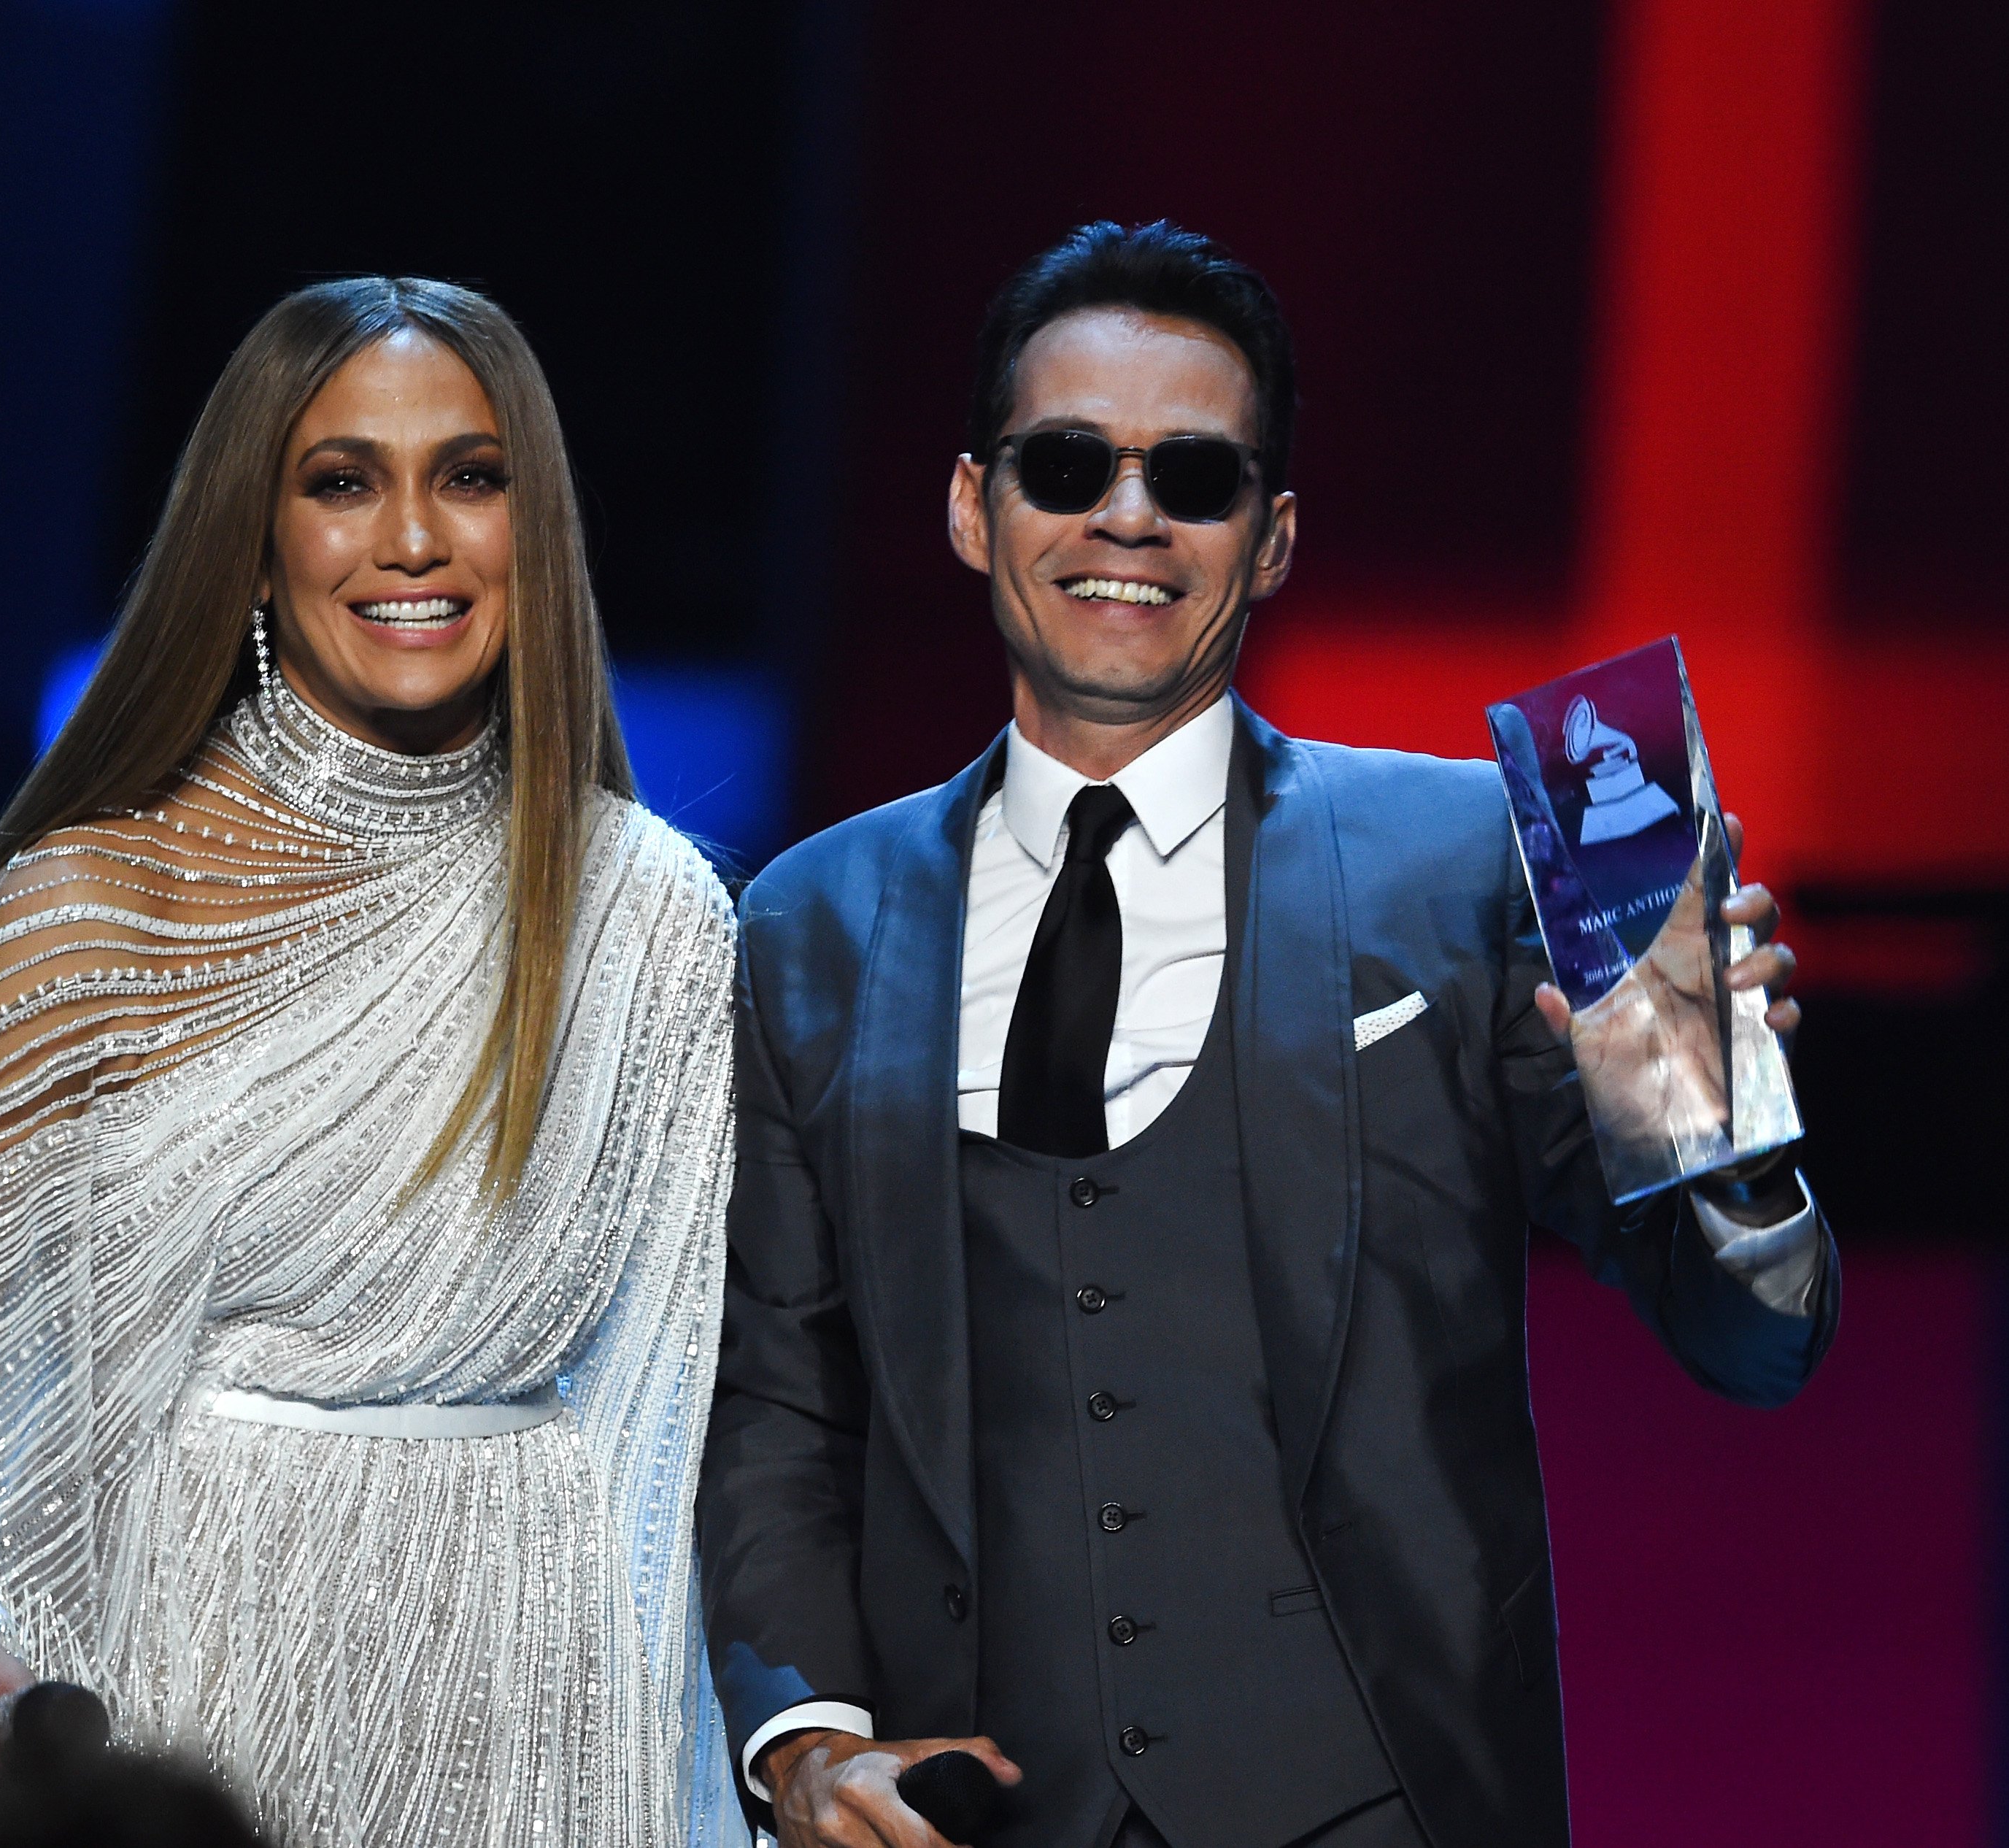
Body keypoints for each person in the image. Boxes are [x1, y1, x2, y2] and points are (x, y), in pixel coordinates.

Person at [698, 222, 1836, 1848]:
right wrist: (803, 1737)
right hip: (971, 1815)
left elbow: (1757, 1346)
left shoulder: (1488, 853)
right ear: (973, 507)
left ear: (1275, 536)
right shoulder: (811, 918)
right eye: (1069, 461)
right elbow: (781, 1399)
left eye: (1199, 479)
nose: (1130, 516)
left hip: (1384, 1797)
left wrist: (1714, 1138)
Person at [0, 277, 748, 1848]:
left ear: (529, 530)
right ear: (260, 543)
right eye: (343, 482)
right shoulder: (84, 915)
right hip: (160, 1726)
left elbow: (674, 1439)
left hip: (534, 1740)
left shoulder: (651, 918)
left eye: (470, 478)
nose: (413, 536)